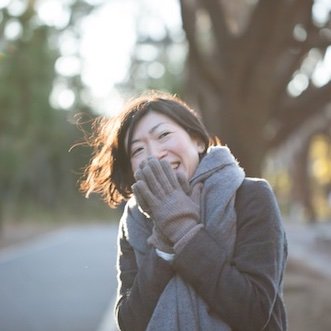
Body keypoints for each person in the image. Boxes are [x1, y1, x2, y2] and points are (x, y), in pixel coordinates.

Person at [80, 90, 288, 331]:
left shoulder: (250, 196)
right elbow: (129, 322)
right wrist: (162, 249)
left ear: (198, 141)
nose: (155, 154)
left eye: (164, 135)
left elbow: (254, 313)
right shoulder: (136, 219)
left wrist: (182, 229)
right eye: (138, 150)